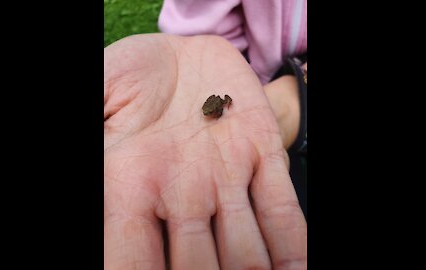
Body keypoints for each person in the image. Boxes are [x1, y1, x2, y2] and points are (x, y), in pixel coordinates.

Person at [104, 34, 307, 269]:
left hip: (271, 93)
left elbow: (219, 110)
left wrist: (295, 95)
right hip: (247, 77)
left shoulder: (219, 110)